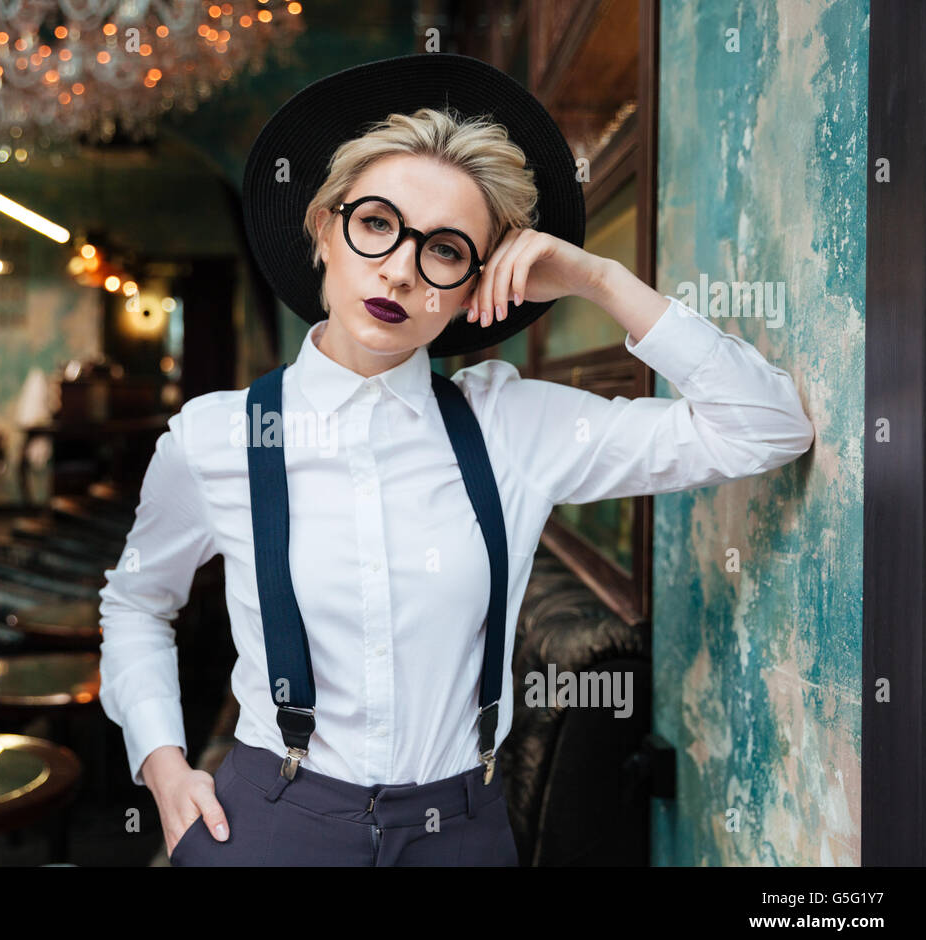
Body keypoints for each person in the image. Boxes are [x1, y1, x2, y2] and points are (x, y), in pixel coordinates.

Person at [98, 54, 816, 866]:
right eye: (376, 223)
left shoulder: (513, 426)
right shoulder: (217, 436)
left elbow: (767, 428)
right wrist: (160, 763)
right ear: (324, 228)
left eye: (444, 249)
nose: (401, 269)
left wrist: (601, 279)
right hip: (269, 823)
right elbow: (134, 606)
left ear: (478, 280)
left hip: (459, 831)